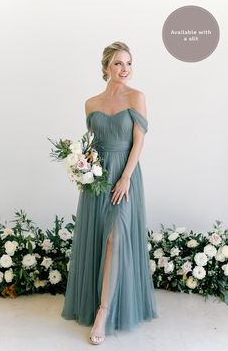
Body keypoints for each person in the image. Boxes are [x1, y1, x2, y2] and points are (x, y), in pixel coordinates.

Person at [61, 41, 159, 345]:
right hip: (98, 179)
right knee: (99, 239)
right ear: (106, 68)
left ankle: (104, 311)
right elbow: (89, 145)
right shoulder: (91, 103)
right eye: (118, 63)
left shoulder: (137, 97)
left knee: (116, 237)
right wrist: (80, 165)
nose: (125, 69)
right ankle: (99, 302)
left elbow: (138, 142)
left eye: (129, 63)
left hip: (125, 176)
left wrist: (126, 177)